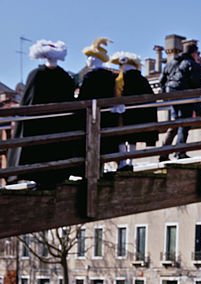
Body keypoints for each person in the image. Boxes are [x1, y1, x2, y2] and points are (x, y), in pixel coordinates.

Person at [11, 40, 78, 188]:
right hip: (54, 124)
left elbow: (28, 102)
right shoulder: (62, 77)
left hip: (44, 124)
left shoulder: (39, 75)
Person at [108, 51, 158, 171]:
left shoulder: (120, 79)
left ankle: (123, 162)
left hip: (122, 113)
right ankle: (129, 161)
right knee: (132, 138)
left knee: (120, 137)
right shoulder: (142, 80)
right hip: (137, 114)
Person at [158, 43, 201, 160]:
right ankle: (180, 151)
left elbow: (161, 80)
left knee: (176, 122)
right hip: (186, 96)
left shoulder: (171, 63)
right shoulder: (192, 65)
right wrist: (200, 105)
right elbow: (198, 84)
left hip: (172, 95)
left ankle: (164, 153)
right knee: (184, 123)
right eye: (198, 53)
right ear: (193, 53)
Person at [76, 38, 120, 164]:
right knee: (108, 143)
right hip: (108, 115)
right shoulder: (111, 76)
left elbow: (83, 97)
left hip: (93, 116)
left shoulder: (89, 77)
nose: (88, 60)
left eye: (90, 57)